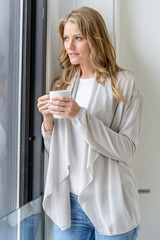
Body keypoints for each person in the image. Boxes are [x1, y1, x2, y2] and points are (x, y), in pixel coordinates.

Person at [37, 6, 143, 240]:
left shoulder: (123, 84)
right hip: (70, 206)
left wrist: (79, 116)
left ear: (95, 39)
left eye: (78, 38)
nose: (69, 46)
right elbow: (55, 152)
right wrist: (47, 122)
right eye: (66, 38)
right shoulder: (62, 85)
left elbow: (126, 151)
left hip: (111, 202)